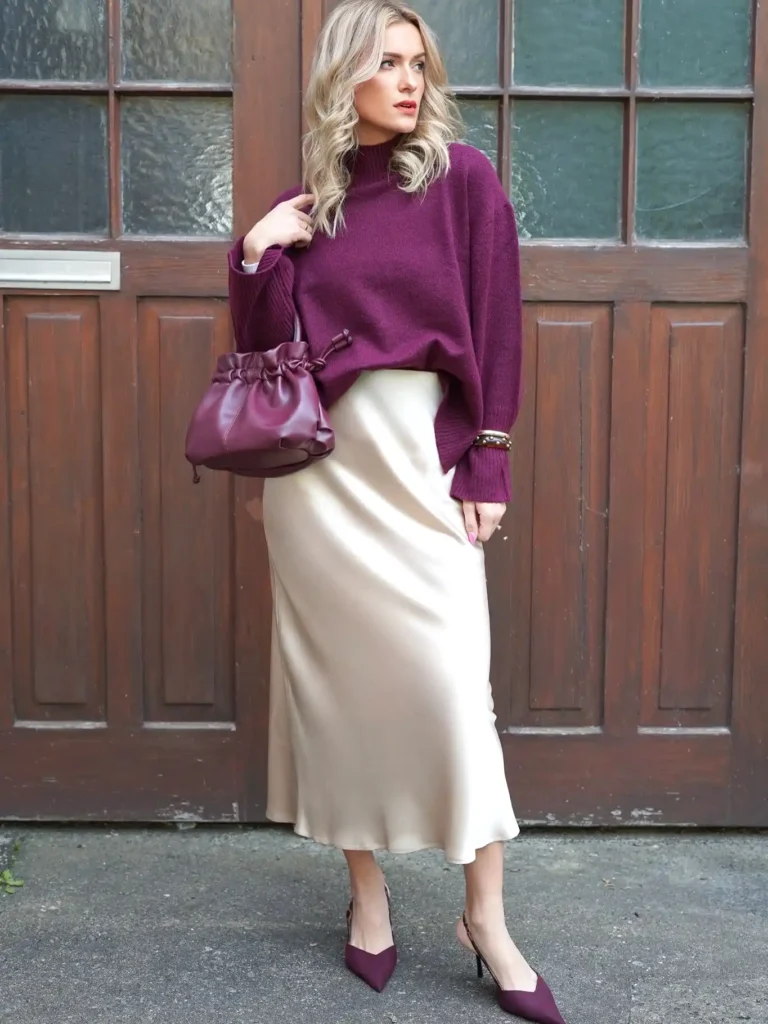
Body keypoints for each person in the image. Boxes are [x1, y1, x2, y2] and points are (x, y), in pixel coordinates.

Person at [228, 2, 566, 1021]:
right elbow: (261, 352)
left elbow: (497, 322)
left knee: (457, 688)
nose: (409, 81)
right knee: (340, 693)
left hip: (421, 463)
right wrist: (256, 253)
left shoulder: (462, 182)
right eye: (386, 63)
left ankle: (486, 917)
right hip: (321, 481)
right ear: (346, 77)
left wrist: (489, 458)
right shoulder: (309, 203)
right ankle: (366, 894)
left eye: (418, 63)